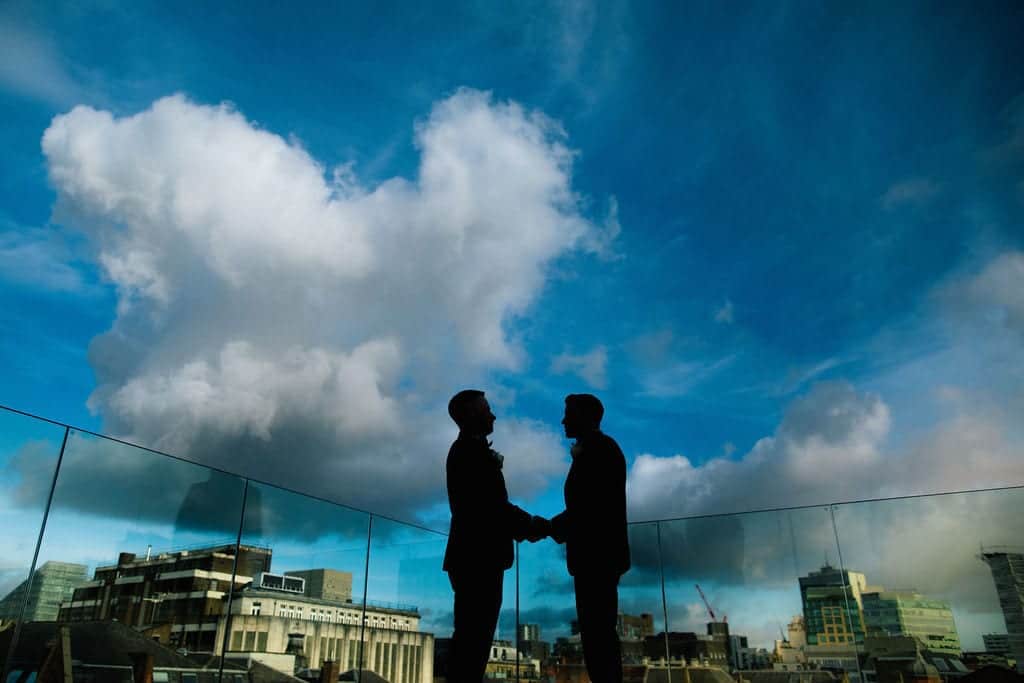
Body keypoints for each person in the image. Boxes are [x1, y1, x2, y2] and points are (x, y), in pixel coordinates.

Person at [443, 389, 546, 683]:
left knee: (472, 638)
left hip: (474, 558)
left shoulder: (467, 451)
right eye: (487, 409)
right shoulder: (469, 453)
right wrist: (533, 525)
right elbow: (491, 509)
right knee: (473, 641)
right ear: (472, 415)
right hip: (479, 559)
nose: (494, 415)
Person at [549, 393, 630, 683]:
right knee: (597, 636)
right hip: (596, 557)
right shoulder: (599, 448)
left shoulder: (600, 450)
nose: (563, 420)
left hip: (597, 557)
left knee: (598, 637)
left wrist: (547, 527)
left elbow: (589, 508)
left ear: (585, 416)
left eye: (568, 414)